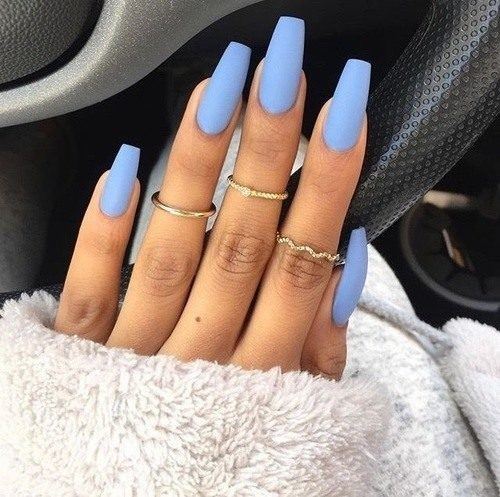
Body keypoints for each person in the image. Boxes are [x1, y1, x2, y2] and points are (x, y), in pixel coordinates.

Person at [0, 17, 498, 497]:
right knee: (277, 194)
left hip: (294, 384)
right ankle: (184, 90)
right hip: (356, 389)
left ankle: (168, 94)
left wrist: (134, 467)